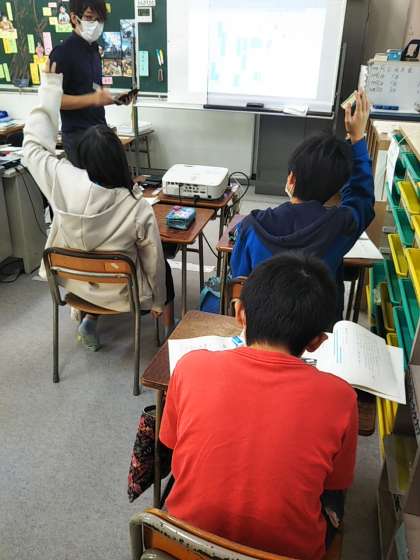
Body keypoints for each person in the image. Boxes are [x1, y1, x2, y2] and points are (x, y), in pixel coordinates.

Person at [160, 254, 358, 560]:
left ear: (240, 313)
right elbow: (336, 481)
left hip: (182, 543)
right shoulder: (342, 398)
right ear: (317, 341)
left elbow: (171, 444)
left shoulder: (190, 367)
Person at [23, 60, 175, 351]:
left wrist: (49, 89)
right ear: (119, 159)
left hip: (75, 283)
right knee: (160, 267)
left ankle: (89, 319)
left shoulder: (61, 180)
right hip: (122, 292)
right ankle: (169, 328)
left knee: (94, 258)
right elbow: (153, 261)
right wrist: (156, 301)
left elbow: (32, 147)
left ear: (83, 159)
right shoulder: (136, 206)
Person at [231, 90, 374, 318]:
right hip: (318, 330)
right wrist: (356, 139)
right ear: (336, 193)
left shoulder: (251, 226)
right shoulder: (341, 225)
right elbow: (362, 197)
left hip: (264, 328)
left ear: (291, 179)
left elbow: (239, 281)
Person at [49, 0, 115, 165]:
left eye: (99, 19)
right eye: (89, 17)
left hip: (100, 131)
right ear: (74, 18)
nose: (96, 24)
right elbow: (54, 100)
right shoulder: (62, 53)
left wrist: (110, 98)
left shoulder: (94, 49)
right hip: (78, 137)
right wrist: (92, 99)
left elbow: (90, 86)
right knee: (85, 182)